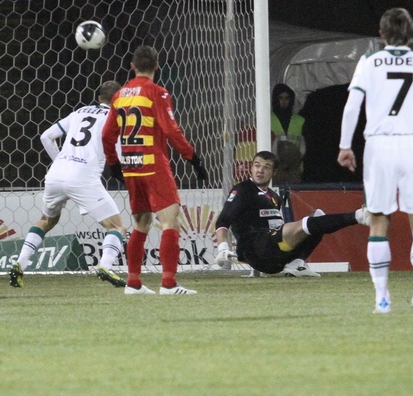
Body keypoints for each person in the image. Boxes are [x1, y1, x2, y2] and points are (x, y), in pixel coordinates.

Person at [337, 8, 413, 314]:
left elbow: (352, 106)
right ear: (411, 34)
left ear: (381, 34)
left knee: (379, 220)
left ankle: (382, 299)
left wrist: (345, 145)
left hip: (379, 146)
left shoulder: (368, 62)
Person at [102, 45, 209, 295]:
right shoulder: (157, 92)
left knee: (142, 222)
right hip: (152, 163)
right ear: (157, 66)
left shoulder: (119, 95)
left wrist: (114, 164)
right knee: (171, 220)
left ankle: (133, 283)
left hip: (131, 165)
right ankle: (169, 284)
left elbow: (107, 135)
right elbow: (171, 130)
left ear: (132, 66)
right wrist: (192, 158)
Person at [9, 81, 128, 289]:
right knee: (117, 226)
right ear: (118, 99)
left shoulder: (79, 112)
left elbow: (46, 136)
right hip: (84, 178)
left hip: (56, 174)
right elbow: (118, 154)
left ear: (99, 97)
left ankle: (20, 263)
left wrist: (61, 162)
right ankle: (105, 266)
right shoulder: (115, 118)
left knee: (46, 220)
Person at [213, 151, 370, 276]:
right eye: (257, 165)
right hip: (257, 252)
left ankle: (296, 264)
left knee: (317, 216)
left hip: (276, 252)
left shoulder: (274, 197)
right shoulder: (242, 190)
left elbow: (272, 224)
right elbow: (223, 220)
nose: (260, 170)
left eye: (266, 167)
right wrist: (222, 247)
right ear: (251, 168)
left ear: (274, 172)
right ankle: (358, 216)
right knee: (302, 225)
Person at [270, 83, 305, 185]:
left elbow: (304, 144)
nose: (284, 101)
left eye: (287, 98)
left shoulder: (300, 120)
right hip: (275, 168)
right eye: (280, 98)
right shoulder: (267, 119)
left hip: (295, 169)